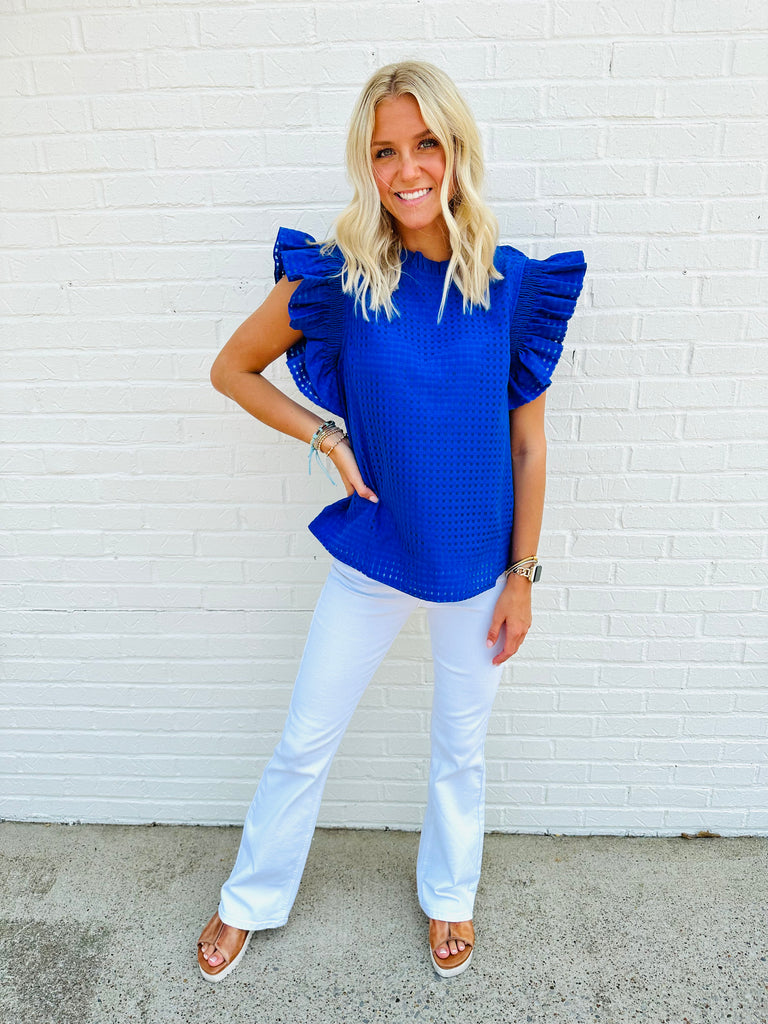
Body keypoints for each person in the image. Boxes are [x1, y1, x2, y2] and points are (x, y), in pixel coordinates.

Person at [197, 60, 586, 981]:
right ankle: (250, 898)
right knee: (306, 737)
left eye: (425, 144)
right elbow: (233, 369)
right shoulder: (340, 279)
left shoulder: (511, 284)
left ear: (456, 151)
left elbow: (527, 447)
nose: (407, 169)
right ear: (366, 163)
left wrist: (523, 577)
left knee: (460, 748)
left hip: (478, 565)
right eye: (384, 151)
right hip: (374, 552)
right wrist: (326, 435)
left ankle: (450, 894)